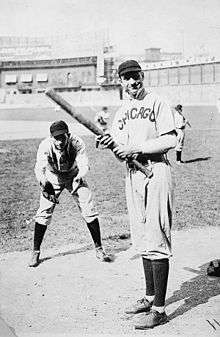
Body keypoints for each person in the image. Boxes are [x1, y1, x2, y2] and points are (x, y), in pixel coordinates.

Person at [98, 60, 177, 329]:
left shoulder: (157, 102)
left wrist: (137, 149)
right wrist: (108, 142)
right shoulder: (124, 109)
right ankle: (149, 296)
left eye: (136, 76)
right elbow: (118, 143)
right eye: (127, 78)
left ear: (142, 76)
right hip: (134, 174)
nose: (132, 82)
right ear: (120, 81)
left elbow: (170, 139)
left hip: (155, 171)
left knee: (156, 236)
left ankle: (160, 309)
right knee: (142, 238)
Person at [29, 120, 111, 267]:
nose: (59, 141)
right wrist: (44, 182)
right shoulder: (45, 145)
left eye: (62, 137)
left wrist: (80, 177)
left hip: (74, 175)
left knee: (89, 209)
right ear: (51, 137)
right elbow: (39, 168)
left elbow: (84, 164)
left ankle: (99, 248)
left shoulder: (77, 142)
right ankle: (35, 252)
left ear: (68, 134)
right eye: (56, 138)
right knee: (43, 212)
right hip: (52, 176)